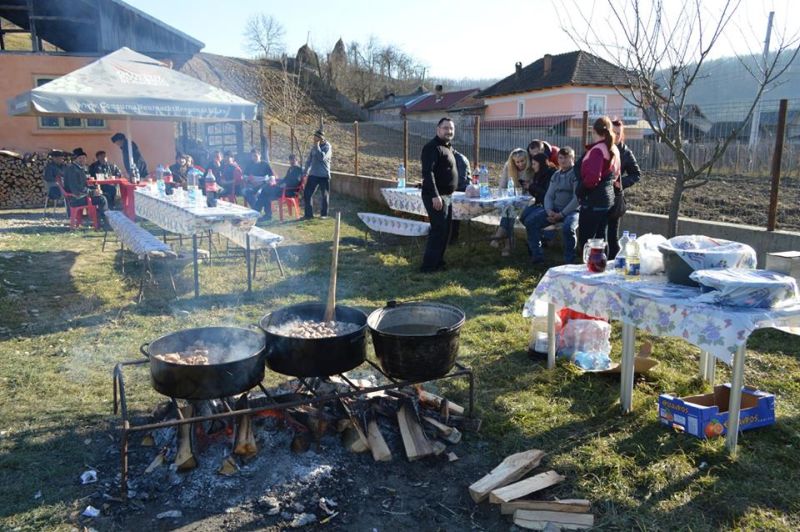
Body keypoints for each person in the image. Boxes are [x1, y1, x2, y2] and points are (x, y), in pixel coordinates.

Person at [522, 147, 580, 264]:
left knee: (568, 228)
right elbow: (549, 196)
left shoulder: (576, 175)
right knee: (530, 222)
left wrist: (561, 214)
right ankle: (537, 257)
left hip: (573, 211)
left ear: (573, 159)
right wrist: (549, 211)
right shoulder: (556, 175)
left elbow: (577, 199)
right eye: (560, 157)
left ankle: (569, 262)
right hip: (554, 210)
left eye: (566, 158)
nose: (563, 161)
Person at [576, 116, 621, 255]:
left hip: (593, 201)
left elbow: (593, 178)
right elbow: (616, 174)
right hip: (607, 199)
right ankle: (601, 266)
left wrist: (581, 190)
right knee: (601, 239)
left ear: (593, 131)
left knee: (587, 241)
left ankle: (588, 268)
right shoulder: (613, 149)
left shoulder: (597, 150)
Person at [419, 117, 458, 273]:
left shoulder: (447, 147)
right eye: (445, 128)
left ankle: (438, 263)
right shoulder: (432, 147)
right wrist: (435, 195)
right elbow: (427, 172)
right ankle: (428, 267)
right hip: (436, 196)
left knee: (445, 231)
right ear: (438, 129)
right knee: (438, 230)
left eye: (451, 129)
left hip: (447, 196)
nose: (449, 131)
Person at [607, 118, 641, 259]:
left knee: (612, 234)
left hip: (615, 198)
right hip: (598, 197)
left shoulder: (626, 153)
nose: (616, 135)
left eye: (618, 132)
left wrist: (620, 182)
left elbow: (636, 174)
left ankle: (612, 262)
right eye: (613, 132)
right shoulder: (602, 149)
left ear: (622, 134)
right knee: (598, 233)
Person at [518, 153, 557, 262]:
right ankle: (537, 240)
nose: (533, 166)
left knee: (531, 222)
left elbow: (547, 194)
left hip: (550, 206)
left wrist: (532, 186)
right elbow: (537, 194)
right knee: (523, 217)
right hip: (539, 203)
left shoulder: (551, 174)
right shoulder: (538, 174)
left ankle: (537, 255)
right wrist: (529, 187)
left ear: (541, 164)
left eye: (534, 164)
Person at [493, 148, 529, 256]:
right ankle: (507, 244)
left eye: (522, 161)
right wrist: (501, 197)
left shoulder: (531, 169)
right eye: (517, 162)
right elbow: (502, 185)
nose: (520, 164)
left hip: (528, 199)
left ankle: (500, 236)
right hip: (512, 200)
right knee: (509, 208)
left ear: (526, 160)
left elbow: (531, 190)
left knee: (510, 209)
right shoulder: (508, 167)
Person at [63, 148, 109, 227]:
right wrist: (91, 192)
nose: (82, 160)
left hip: (79, 196)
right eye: (80, 158)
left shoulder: (77, 168)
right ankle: (106, 223)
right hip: (75, 199)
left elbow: (83, 186)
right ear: (75, 160)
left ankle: (99, 220)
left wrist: (94, 190)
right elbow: (76, 188)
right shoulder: (73, 170)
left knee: (104, 194)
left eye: (84, 158)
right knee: (102, 199)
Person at [303, 129, 332, 219]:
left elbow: (321, 157)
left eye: (316, 137)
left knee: (324, 195)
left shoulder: (328, 147)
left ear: (321, 138)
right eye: (314, 137)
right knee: (307, 193)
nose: (314, 139)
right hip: (313, 174)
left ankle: (324, 215)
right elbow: (309, 160)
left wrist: (317, 146)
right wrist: (305, 171)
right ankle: (308, 215)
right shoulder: (314, 147)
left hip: (323, 175)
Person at [242, 148, 275, 214]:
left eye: (255, 156)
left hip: (263, 185)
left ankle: (257, 210)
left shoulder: (265, 164)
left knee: (261, 193)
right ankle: (256, 209)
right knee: (245, 191)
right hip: (253, 185)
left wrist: (269, 180)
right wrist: (248, 179)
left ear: (259, 155)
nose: (254, 158)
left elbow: (272, 175)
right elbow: (244, 175)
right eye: (252, 156)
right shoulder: (249, 164)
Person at [448, 149, 471, 244]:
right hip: (451, 190)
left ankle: (452, 237)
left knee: (450, 204)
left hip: (461, 192)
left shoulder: (460, 159)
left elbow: (461, 181)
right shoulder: (446, 159)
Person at [43, 150, 68, 215]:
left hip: (64, 185)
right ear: (53, 158)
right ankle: (70, 213)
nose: (60, 159)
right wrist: (59, 181)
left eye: (61, 158)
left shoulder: (64, 166)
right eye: (58, 158)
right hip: (54, 188)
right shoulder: (50, 167)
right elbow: (48, 178)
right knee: (71, 192)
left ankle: (75, 211)